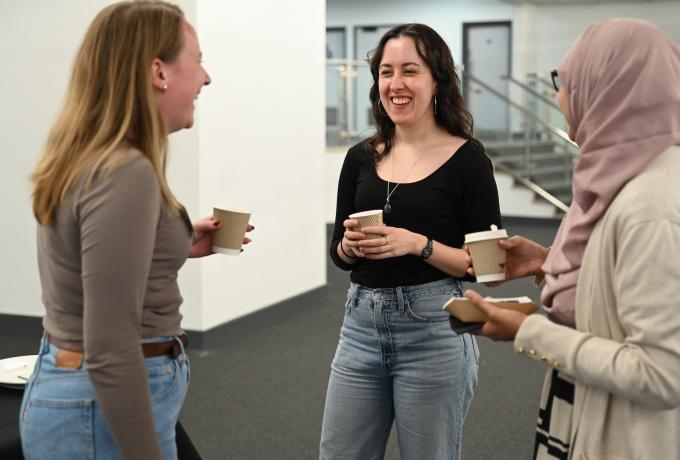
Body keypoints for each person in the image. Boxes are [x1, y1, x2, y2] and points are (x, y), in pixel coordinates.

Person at [20, 2, 251, 459]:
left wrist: (177, 245)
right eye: (198, 60)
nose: (206, 78)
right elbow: (109, 346)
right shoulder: (126, 172)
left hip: (83, 394)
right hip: (97, 403)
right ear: (158, 71)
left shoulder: (97, 156)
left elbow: (91, 258)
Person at [466, 19, 680, 459]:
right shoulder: (621, 175)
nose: (560, 94)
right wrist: (546, 264)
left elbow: (660, 373)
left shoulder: (651, 205)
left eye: (565, 80)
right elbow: (621, 292)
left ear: (607, 86)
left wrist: (529, 332)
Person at [320, 23, 501, 460]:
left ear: (436, 79)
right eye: (385, 72)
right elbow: (337, 254)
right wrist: (350, 246)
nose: (395, 85)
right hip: (360, 325)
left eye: (410, 71)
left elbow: (490, 268)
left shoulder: (469, 160)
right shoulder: (360, 157)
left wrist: (416, 243)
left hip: (434, 330)